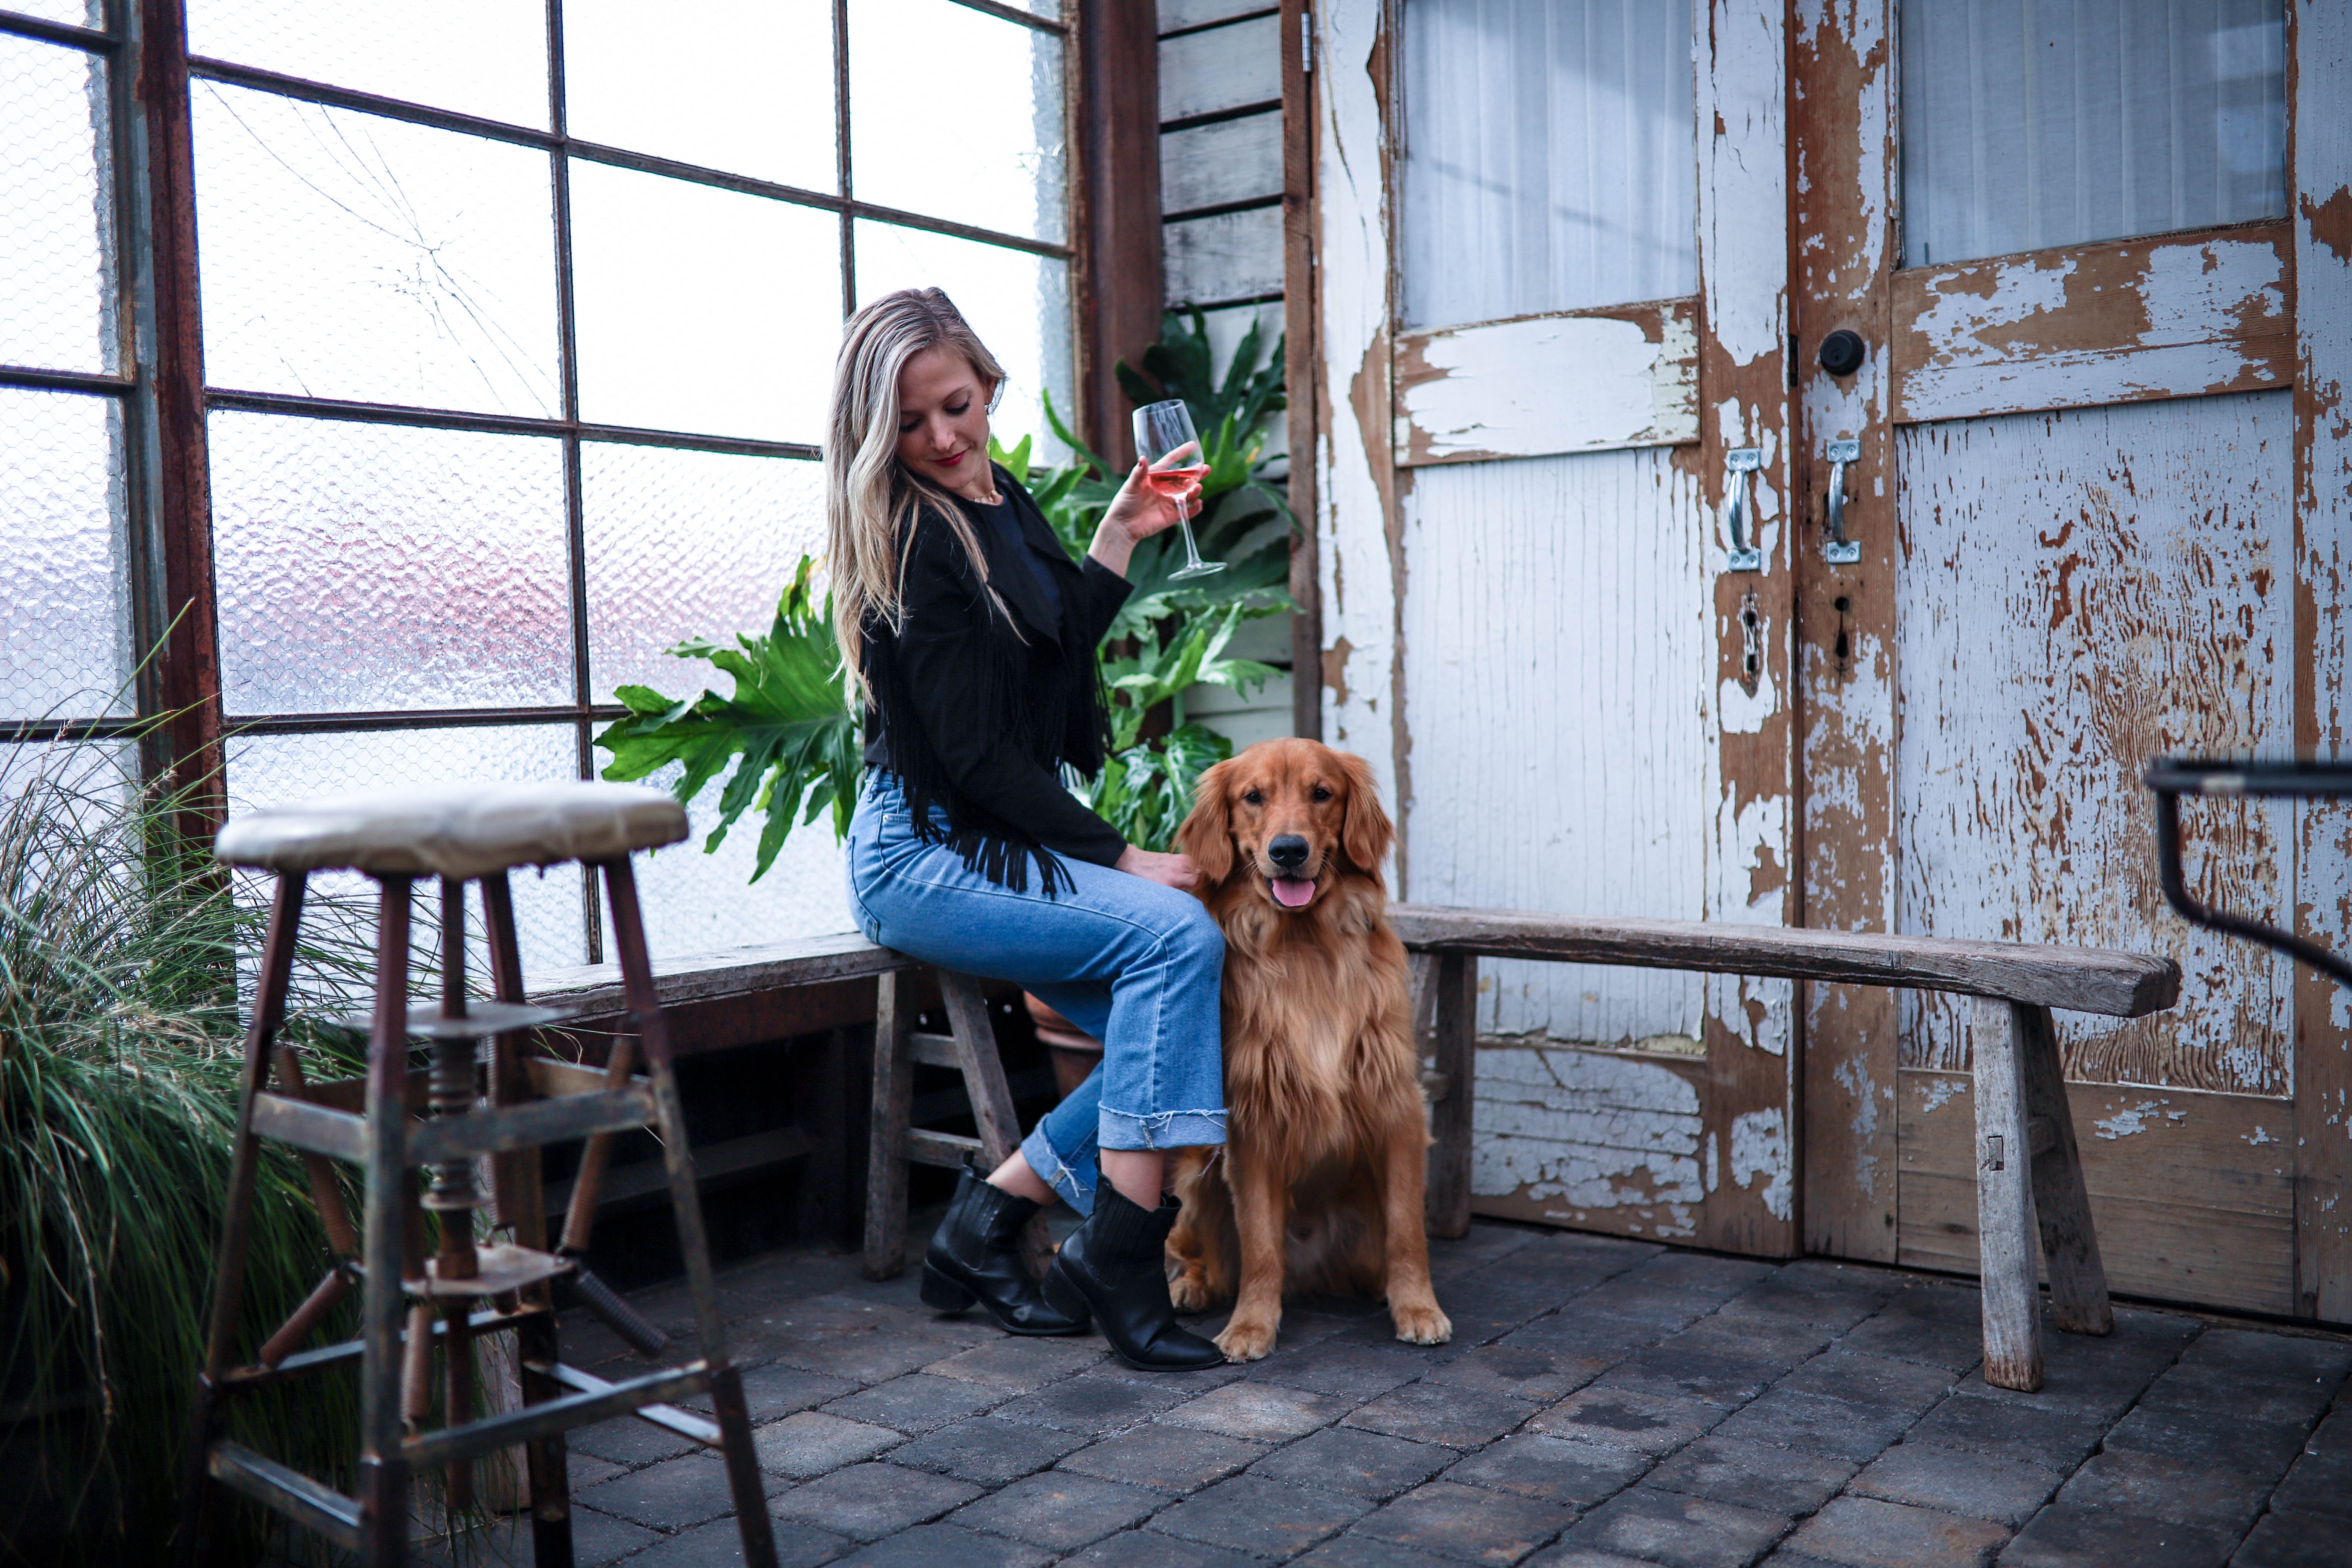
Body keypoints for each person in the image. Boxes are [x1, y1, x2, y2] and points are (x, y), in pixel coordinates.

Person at [827, 288, 1227, 1372]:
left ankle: (987, 1221)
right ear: (877, 437)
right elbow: (976, 758)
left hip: (984, 833)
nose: (942, 439)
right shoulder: (915, 538)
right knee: (1177, 938)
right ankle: (1121, 1261)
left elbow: (1046, 679)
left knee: (1194, 1015)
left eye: (955, 405)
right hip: (925, 850)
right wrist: (1124, 855)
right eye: (910, 426)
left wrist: (1115, 538)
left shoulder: (998, 501)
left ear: (989, 384)